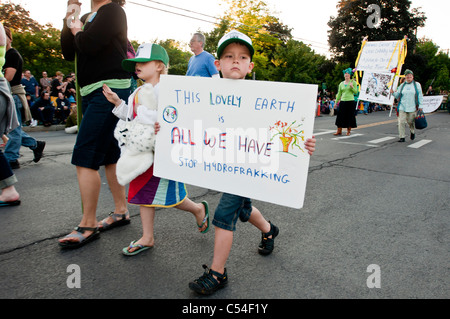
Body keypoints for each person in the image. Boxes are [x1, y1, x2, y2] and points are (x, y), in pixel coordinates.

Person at [188, 30, 316, 295]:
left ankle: (217, 273)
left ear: (250, 65)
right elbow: (188, 123)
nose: (236, 61)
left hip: (249, 166)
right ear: (217, 64)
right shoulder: (206, 95)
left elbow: (285, 130)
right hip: (227, 164)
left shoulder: (264, 98)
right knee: (243, 210)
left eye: (242, 56)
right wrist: (164, 130)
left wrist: (303, 144)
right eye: (229, 56)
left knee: (225, 216)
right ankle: (270, 231)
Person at [102, 43, 210, 255]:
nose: (137, 66)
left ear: (160, 66)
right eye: (136, 63)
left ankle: (198, 209)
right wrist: (117, 103)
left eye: (143, 62)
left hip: (162, 153)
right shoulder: (138, 91)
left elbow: (174, 116)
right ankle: (147, 237)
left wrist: (155, 120)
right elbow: (132, 116)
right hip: (141, 153)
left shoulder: (170, 90)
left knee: (170, 197)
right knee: (144, 195)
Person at [58, 0, 132, 249]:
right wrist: (71, 14)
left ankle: (88, 223)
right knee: (110, 155)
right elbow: (69, 51)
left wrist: (78, 30)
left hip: (109, 89)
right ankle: (121, 211)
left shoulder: (113, 11)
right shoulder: (89, 16)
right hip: (91, 91)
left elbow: (88, 44)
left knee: (85, 154)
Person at [2, 26, 45, 169]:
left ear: (9, 38)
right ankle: (35, 144)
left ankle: (11, 159)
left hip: (13, 95)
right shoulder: (4, 55)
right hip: (8, 94)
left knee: (12, 129)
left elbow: (8, 77)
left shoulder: (12, 55)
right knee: (13, 128)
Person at [0, 22, 20, 207]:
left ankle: (8, 189)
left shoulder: (12, 54)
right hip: (5, 91)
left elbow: (9, 77)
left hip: (7, 90)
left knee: (17, 130)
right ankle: (8, 189)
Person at [390, 69, 423, 142]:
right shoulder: (402, 85)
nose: (409, 77)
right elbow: (397, 95)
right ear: (405, 77)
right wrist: (393, 93)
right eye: (407, 76)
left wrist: (421, 105)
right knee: (401, 122)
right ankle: (402, 137)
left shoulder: (416, 85)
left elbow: (420, 95)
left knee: (410, 122)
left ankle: (412, 131)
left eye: (410, 76)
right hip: (402, 106)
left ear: (413, 77)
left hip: (412, 107)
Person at [333, 68, 358, 136]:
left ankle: (348, 131)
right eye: (345, 73)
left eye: (348, 73)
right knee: (340, 116)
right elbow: (339, 94)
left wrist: (352, 87)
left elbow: (356, 92)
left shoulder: (353, 82)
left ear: (350, 75)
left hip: (350, 101)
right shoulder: (341, 83)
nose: (346, 75)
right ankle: (339, 130)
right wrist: (336, 102)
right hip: (343, 101)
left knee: (349, 116)